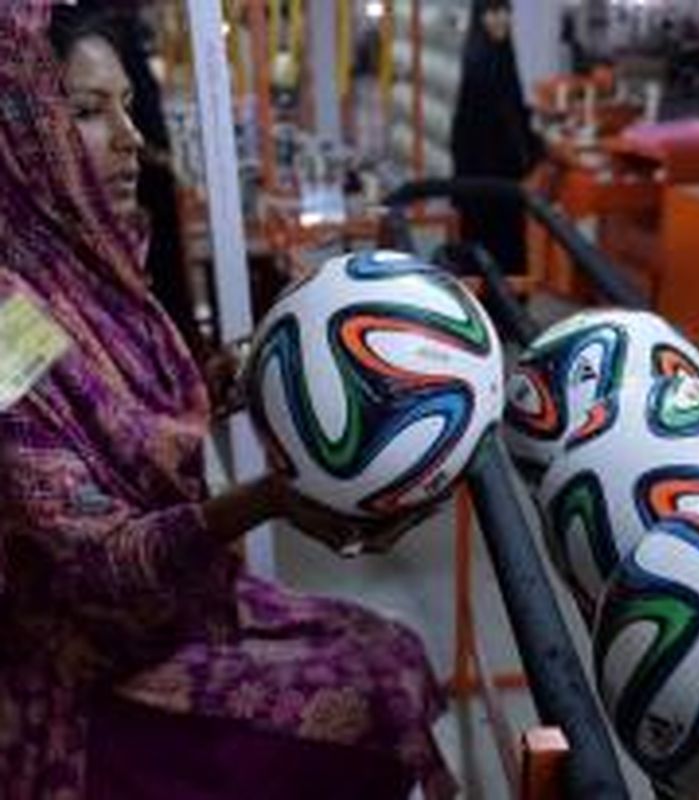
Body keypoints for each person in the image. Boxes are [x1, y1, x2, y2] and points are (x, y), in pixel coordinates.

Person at [0, 6, 454, 798]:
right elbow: (95, 564)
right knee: (371, 694)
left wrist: (261, 373)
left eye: (127, 108)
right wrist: (268, 500)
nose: (131, 140)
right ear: (21, 137)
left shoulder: (94, 276)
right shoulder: (8, 324)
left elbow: (129, 425)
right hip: (86, 668)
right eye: (85, 112)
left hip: (182, 609)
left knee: (398, 654)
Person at [451, 0, 544, 273]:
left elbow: (514, 109)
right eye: (492, 12)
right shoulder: (478, 61)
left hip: (505, 175)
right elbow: (470, 127)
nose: (500, 19)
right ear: (480, 17)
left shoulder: (504, 55)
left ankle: (508, 304)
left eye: (505, 11)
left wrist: (533, 144)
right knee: (488, 249)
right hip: (483, 175)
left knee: (507, 248)